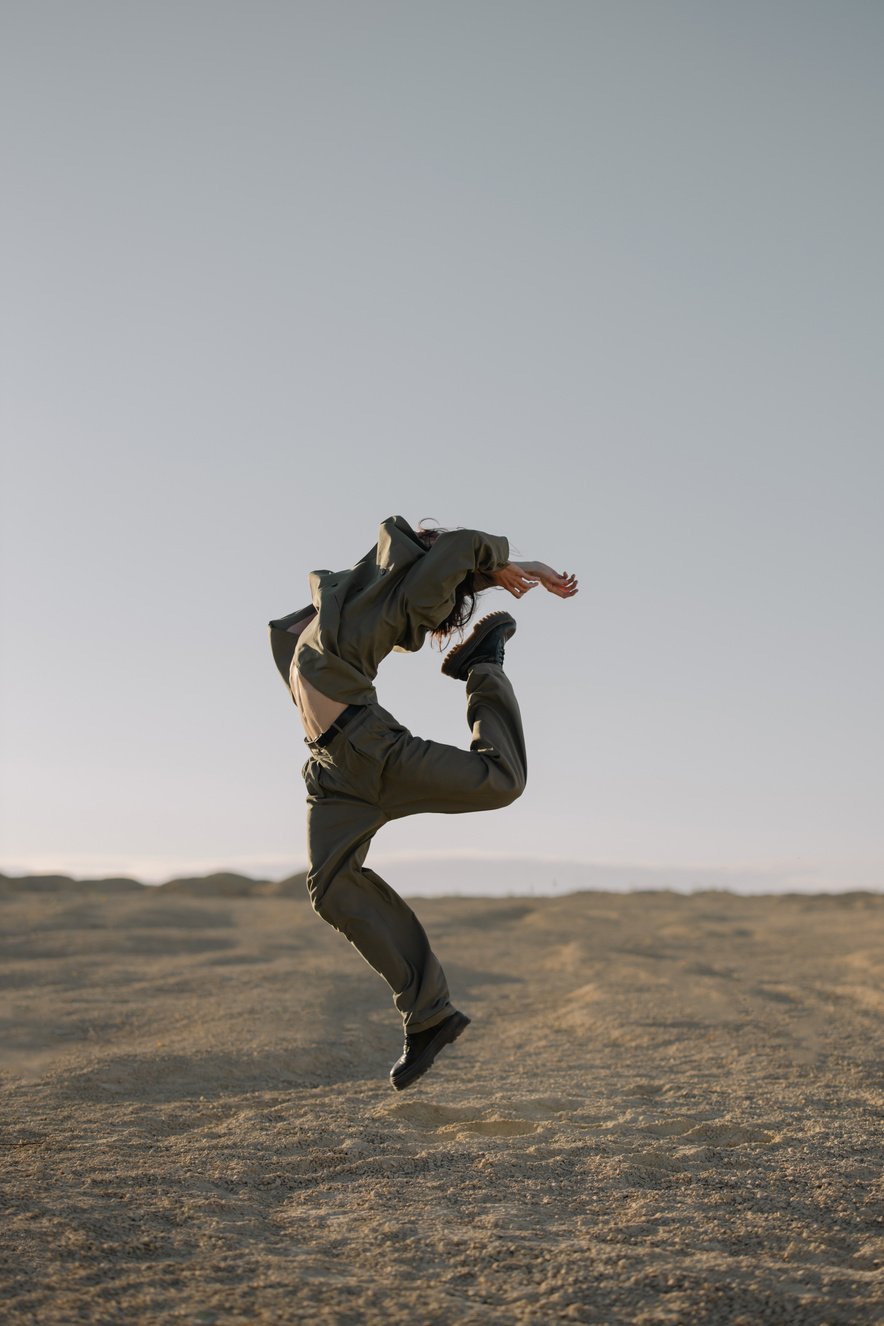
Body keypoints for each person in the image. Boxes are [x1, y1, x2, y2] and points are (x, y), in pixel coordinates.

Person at [268, 515, 578, 1091]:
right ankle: (431, 1015)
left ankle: (482, 666)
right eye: (442, 604)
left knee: (502, 781)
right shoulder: (380, 598)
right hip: (339, 769)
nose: (432, 622)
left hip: (366, 750)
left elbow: (447, 560)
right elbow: (458, 548)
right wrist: (511, 563)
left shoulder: (352, 600)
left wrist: (486, 575)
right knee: (332, 889)